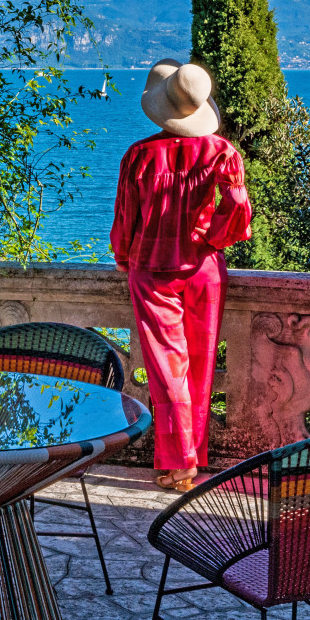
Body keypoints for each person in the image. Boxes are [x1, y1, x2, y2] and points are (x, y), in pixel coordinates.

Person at [109, 59, 252, 493]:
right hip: (204, 271)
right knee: (201, 370)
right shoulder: (222, 152)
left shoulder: (139, 156)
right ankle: (190, 461)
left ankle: (179, 465)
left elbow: (124, 224)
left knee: (168, 374)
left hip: (152, 271)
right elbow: (239, 212)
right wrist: (210, 238)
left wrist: (123, 256)